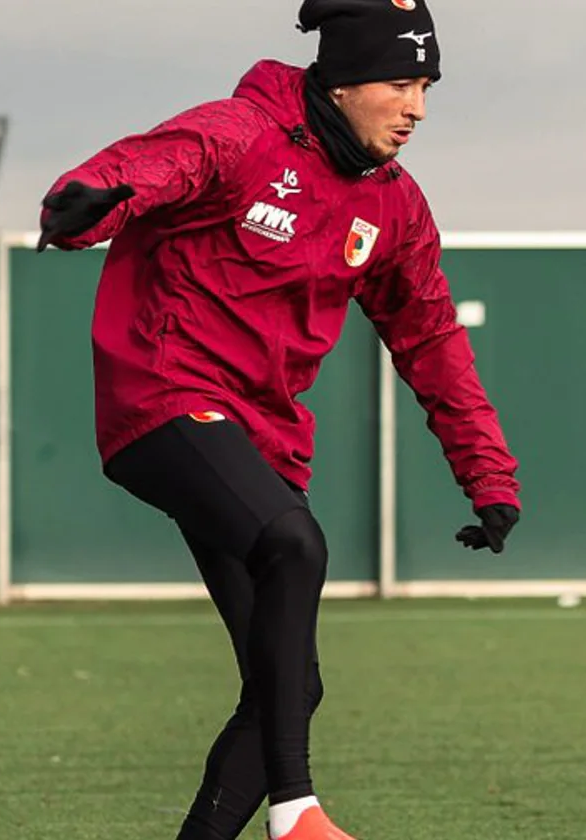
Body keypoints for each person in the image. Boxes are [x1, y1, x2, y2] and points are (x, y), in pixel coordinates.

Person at [36, 1, 521, 837]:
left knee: (290, 686)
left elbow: (433, 339)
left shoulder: (394, 208)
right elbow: (147, 168)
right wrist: (87, 204)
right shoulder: (240, 135)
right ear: (342, 80)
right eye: (402, 83)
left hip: (261, 442)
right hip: (161, 397)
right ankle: (297, 813)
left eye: (428, 87)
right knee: (296, 544)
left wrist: (488, 476)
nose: (418, 109)